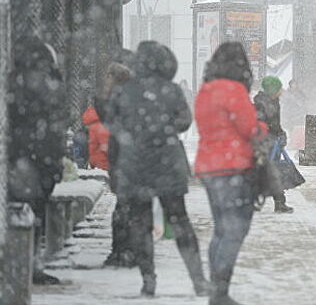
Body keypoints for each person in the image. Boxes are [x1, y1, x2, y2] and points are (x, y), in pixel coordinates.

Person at [107, 41, 209, 296]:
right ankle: (198, 280)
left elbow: (114, 131)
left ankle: (148, 279)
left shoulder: (124, 91)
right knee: (180, 220)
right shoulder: (172, 90)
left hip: (135, 164)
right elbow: (185, 121)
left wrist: (115, 168)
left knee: (140, 223)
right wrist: (164, 127)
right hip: (167, 164)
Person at [195, 42, 268, 305]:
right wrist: (262, 126)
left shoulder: (205, 90)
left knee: (221, 230)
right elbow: (250, 129)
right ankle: (220, 293)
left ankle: (217, 286)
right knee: (235, 230)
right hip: (233, 168)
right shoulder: (234, 90)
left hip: (209, 168)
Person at [7, 37, 68, 285]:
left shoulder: (12, 82)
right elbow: (55, 125)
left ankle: (18, 264)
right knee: (35, 212)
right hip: (41, 158)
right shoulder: (49, 84)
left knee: (19, 209)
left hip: (19, 157)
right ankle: (30, 265)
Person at [94, 60, 135, 267]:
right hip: (124, 156)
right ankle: (125, 250)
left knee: (123, 207)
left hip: (123, 157)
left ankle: (122, 250)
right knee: (126, 206)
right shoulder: (126, 97)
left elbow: (106, 116)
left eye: (109, 76)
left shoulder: (117, 99)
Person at [254, 76, 294, 214]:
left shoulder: (273, 101)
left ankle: (278, 202)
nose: (281, 91)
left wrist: (281, 134)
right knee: (269, 173)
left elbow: (275, 124)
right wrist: (273, 136)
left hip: (272, 142)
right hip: (265, 143)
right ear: (272, 90)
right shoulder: (262, 104)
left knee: (270, 172)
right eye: (278, 89)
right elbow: (263, 125)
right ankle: (278, 202)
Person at [82, 106, 110, 171]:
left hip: (101, 163)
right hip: (100, 162)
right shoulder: (98, 127)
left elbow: (104, 146)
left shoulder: (96, 128)